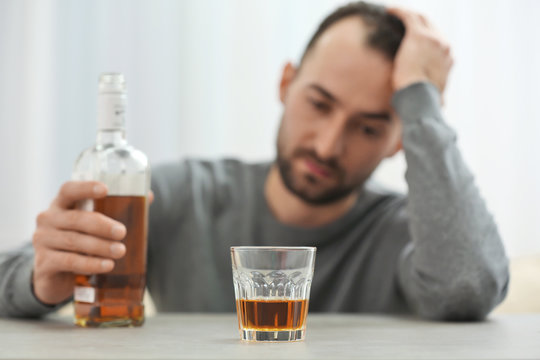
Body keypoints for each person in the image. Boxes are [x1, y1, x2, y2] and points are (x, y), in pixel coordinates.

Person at [0, 1, 509, 320]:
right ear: (285, 84)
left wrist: (420, 99)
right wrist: (41, 281)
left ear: (402, 139)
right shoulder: (180, 194)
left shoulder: (408, 232)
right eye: (319, 104)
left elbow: (468, 288)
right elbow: (11, 275)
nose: (329, 145)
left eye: (370, 126)